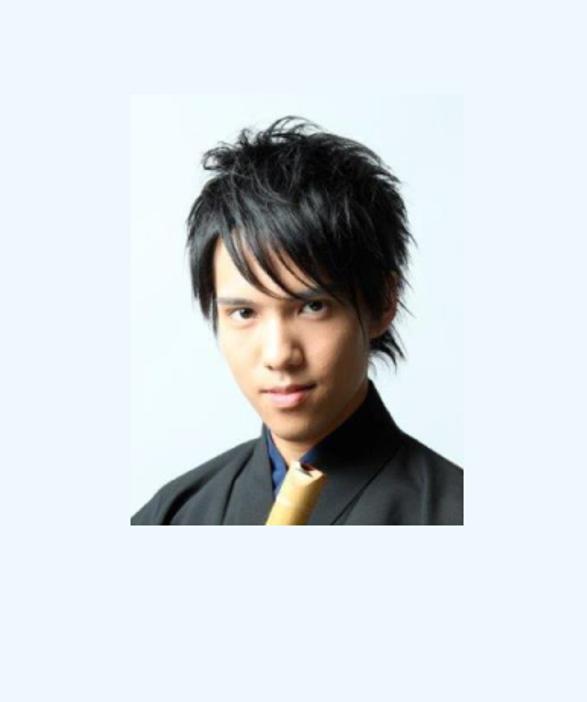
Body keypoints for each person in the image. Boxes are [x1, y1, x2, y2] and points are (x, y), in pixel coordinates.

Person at [131, 116, 463, 525]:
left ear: (381, 302)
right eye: (244, 313)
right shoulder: (173, 515)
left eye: (312, 307)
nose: (278, 355)